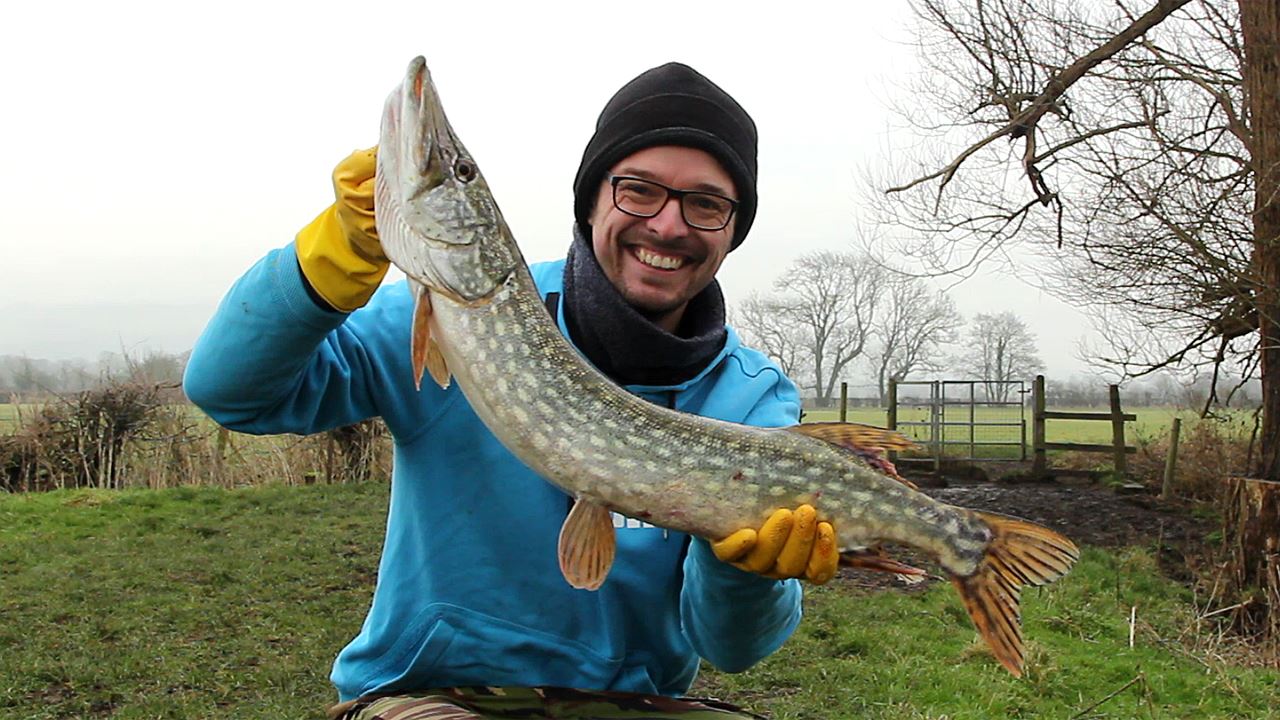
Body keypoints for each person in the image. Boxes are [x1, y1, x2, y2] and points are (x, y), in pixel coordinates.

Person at [184, 61, 838, 720]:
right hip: (432, 693)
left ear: (731, 229)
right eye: (639, 190)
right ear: (591, 201)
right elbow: (231, 391)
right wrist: (327, 258)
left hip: (631, 703)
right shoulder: (442, 318)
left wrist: (743, 571)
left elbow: (733, 648)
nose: (668, 226)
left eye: (706, 204)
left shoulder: (750, 401)